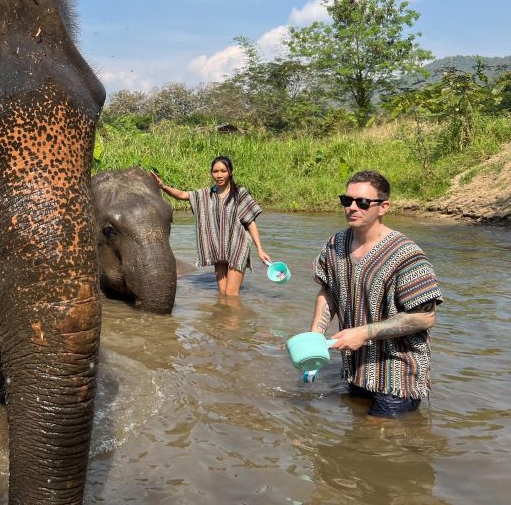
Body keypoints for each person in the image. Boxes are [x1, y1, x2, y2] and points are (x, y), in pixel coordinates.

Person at [306, 170, 443, 417]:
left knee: (380, 443)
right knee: (358, 445)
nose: (352, 207)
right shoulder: (335, 245)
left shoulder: (407, 254)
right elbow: (327, 289)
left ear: (383, 207)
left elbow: (425, 317)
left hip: (397, 374)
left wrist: (364, 332)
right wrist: (315, 337)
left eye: (363, 202)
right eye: (347, 201)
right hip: (357, 368)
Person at [151, 156, 272, 295]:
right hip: (218, 248)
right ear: (211, 173)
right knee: (222, 293)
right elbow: (183, 195)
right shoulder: (206, 194)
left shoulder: (240, 194)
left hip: (238, 246)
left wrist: (260, 250)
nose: (219, 175)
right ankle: (223, 317)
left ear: (230, 172)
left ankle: (234, 317)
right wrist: (163, 186)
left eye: (223, 171)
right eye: (215, 171)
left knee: (231, 294)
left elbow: (250, 222)